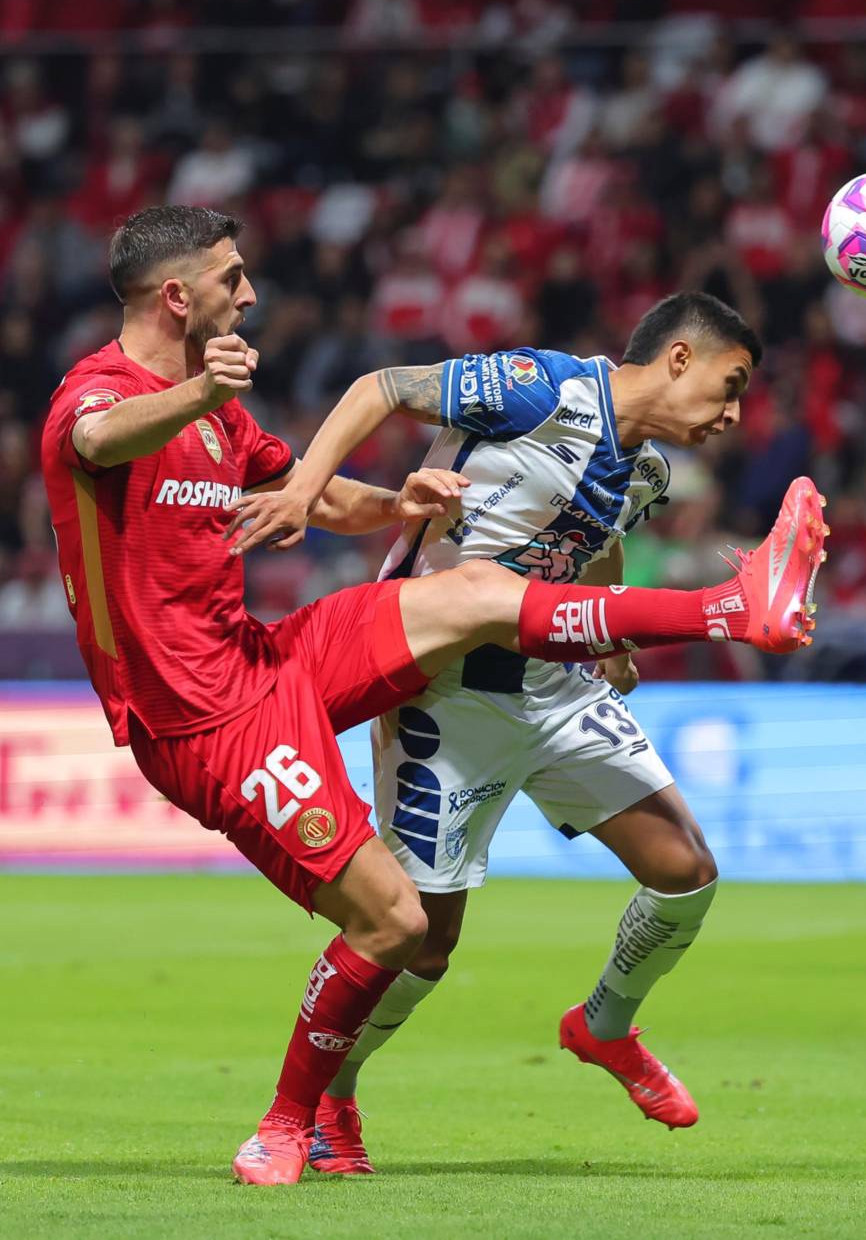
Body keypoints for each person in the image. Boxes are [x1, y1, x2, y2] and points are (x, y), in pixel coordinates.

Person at [38, 206, 828, 1186]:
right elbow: (100, 441)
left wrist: (396, 501)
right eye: (232, 277)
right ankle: (290, 1119)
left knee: (475, 594)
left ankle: (727, 608)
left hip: (266, 656)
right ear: (176, 295)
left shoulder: (226, 416)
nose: (247, 294)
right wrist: (201, 391)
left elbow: (318, 499)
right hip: (199, 719)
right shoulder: (100, 395)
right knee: (403, 926)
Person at [232, 292, 760, 1173]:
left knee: (686, 871)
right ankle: (334, 1092)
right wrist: (301, 486)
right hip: (449, 695)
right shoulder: (540, 388)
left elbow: (599, 544)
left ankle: (603, 1027)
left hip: (557, 686)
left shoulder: (648, 471)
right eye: (729, 383)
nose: (735, 413)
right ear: (677, 358)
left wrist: (615, 636)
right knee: (422, 943)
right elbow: (382, 386)